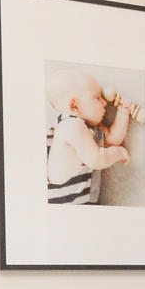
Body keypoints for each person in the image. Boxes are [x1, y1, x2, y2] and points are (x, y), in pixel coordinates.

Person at [48, 75, 132, 205]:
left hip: (75, 201)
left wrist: (123, 111)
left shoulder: (89, 127)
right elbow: (96, 159)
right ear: (74, 105)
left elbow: (112, 139)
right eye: (97, 98)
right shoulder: (70, 125)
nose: (104, 102)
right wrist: (118, 153)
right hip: (59, 199)